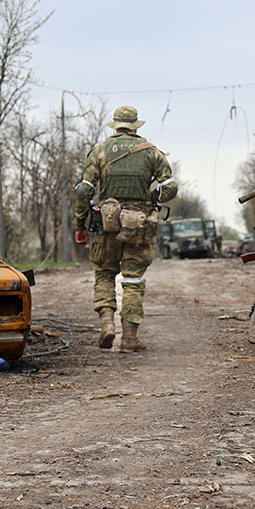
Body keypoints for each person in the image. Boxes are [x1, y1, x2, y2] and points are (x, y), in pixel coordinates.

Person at [75, 105, 178, 353]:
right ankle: (130, 338)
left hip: (106, 226)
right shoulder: (152, 152)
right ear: (135, 125)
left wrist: (80, 224)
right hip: (138, 227)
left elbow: (84, 191)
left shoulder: (100, 151)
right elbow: (171, 188)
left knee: (104, 273)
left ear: (115, 125)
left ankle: (107, 322)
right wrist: (154, 199)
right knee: (133, 280)